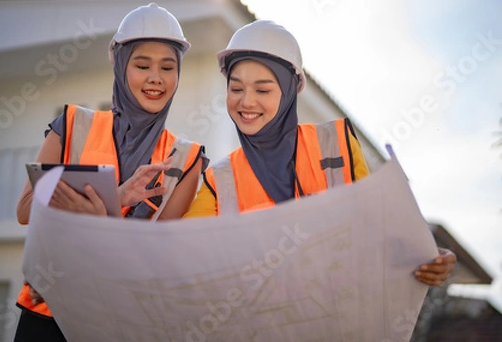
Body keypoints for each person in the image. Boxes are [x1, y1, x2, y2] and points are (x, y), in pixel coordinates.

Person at [184, 19, 456, 287]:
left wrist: (426, 258)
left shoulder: (336, 148)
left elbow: (378, 230)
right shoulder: (219, 179)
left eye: (263, 89)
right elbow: (180, 255)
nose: (246, 101)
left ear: (289, 93)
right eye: (236, 88)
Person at [13, 3, 207, 341]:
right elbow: (26, 210)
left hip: (119, 320)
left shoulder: (186, 159)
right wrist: (115, 198)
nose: (155, 78)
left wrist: (101, 215)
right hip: (46, 313)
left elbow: (156, 261)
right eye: (142, 64)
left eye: (168, 66)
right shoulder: (73, 125)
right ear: (120, 65)